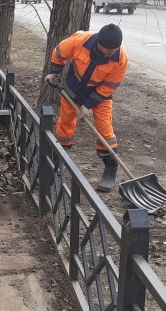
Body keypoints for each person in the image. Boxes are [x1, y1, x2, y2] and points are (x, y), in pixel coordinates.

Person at [44, 23, 128, 193]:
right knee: (65, 125)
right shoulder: (79, 41)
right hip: (73, 89)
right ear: (99, 43)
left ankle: (110, 170)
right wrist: (54, 71)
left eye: (115, 48)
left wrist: (89, 104)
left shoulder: (120, 58)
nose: (112, 52)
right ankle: (58, 162)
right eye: (109, 49)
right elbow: (59, 52)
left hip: (100, 95)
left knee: (105, 130)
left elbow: (109, 86)